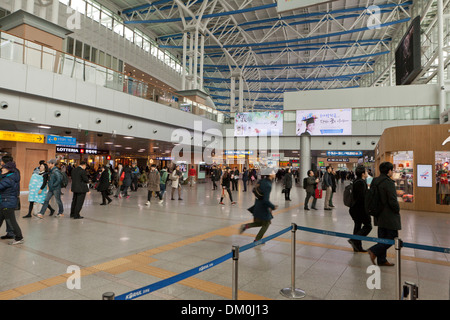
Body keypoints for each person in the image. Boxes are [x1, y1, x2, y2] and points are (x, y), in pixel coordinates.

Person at [368, 162, 401, 267]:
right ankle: (374, 251)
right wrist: (397, 209)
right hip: (388, 214)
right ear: (389, 171)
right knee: (392, 237)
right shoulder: (388, 182)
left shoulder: (375, 180)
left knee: (382, 237)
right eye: (392, 170)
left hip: (378, 213)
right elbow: (392, 200)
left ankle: (382, 260)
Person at [239, 168, 278, 242]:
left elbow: (255, 191)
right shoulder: (268, 185)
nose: (275, 174)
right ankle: (257, 240)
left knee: (260, 222)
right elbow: (266, 200)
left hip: (257, 204)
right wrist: (272, 207)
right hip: (263, 207)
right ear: (270, 174)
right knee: (266, 223)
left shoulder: (261, 181)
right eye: (273, 172)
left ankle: (246, 226)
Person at [348, 165, 372, 252]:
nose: (367, 173)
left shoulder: (357, 181)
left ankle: (357, 247)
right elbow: (362, 198)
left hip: (355, 208)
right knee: (368, 226)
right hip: (359, 209)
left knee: (357, 226)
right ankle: (354, 240)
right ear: (362, 174)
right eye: (366, 171)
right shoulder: (361, 183)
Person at [0, 161, 24, 245]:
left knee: (11, 222)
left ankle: (19, 237)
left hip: (8, 203)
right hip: (4, 202)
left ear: (8, 169)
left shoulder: (8, 179)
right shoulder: (9, 176)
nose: (2, 169)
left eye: (3, 168)